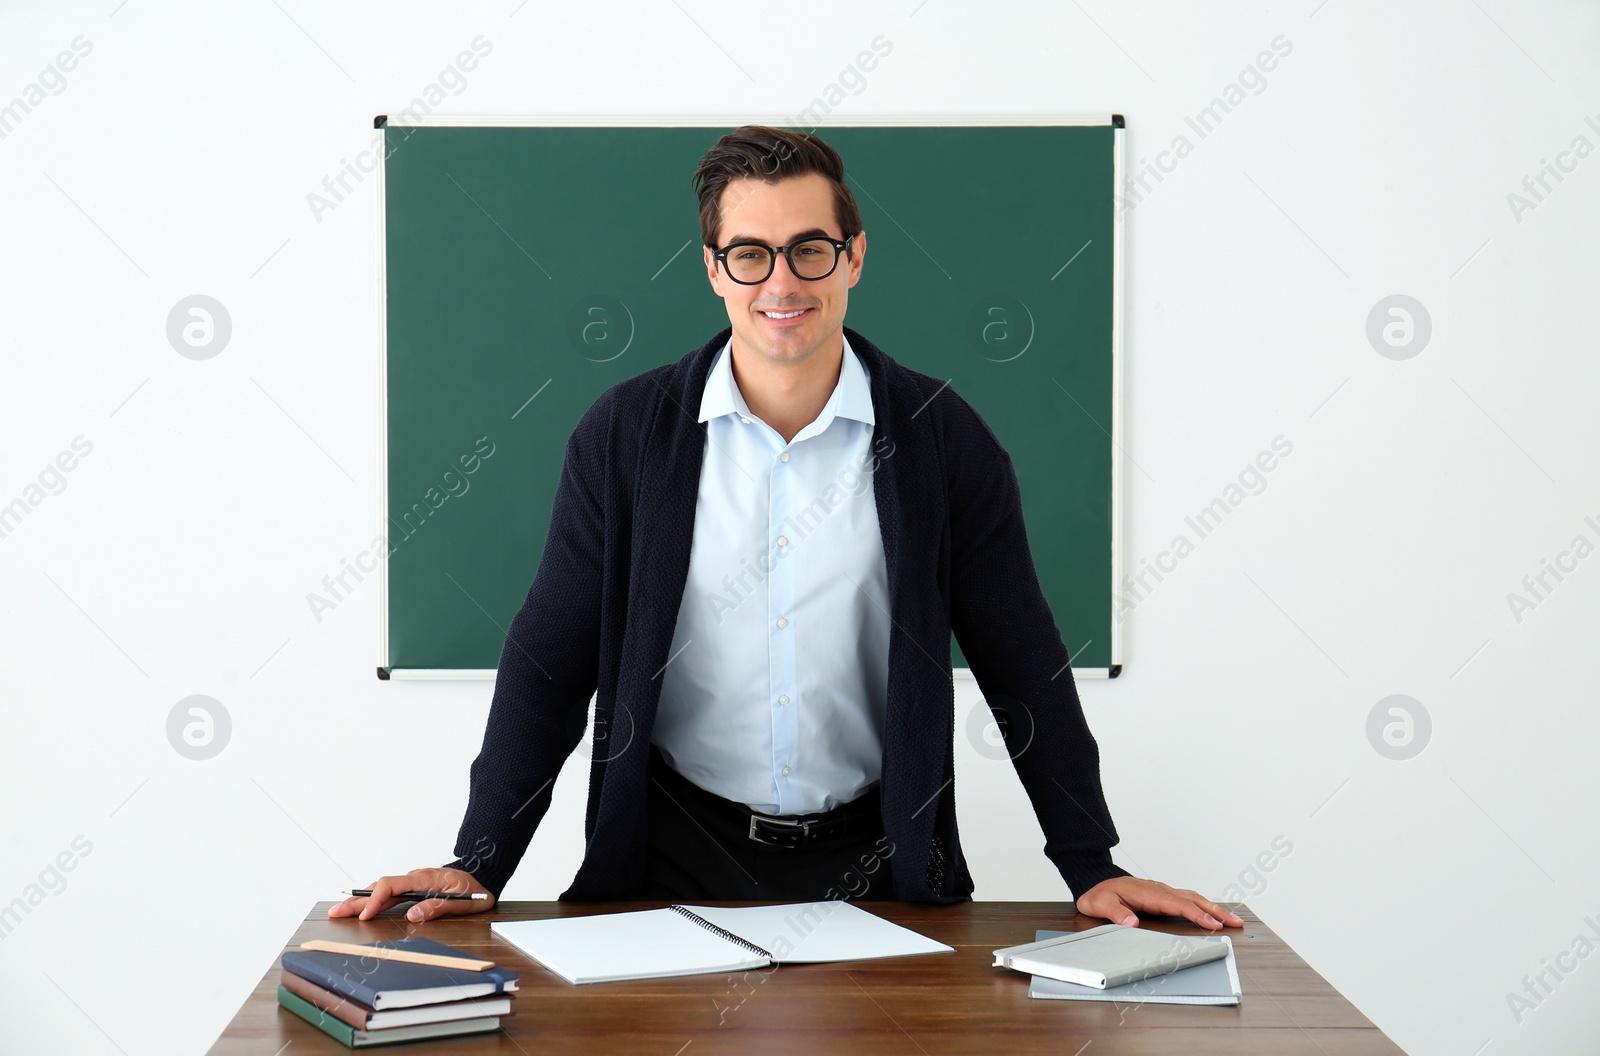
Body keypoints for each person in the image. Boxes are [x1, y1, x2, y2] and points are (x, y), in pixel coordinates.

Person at [332, 125, 1243, 933]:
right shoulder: (626, 435)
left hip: (879, 860)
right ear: (712, 267)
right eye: (750, 254)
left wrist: (1092, 864)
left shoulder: (940, 438)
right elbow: (549, 655)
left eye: (810, 250)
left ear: (853, 258)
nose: (782, 282)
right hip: (670, 857)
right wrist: (479, 859)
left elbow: (1023, 661)